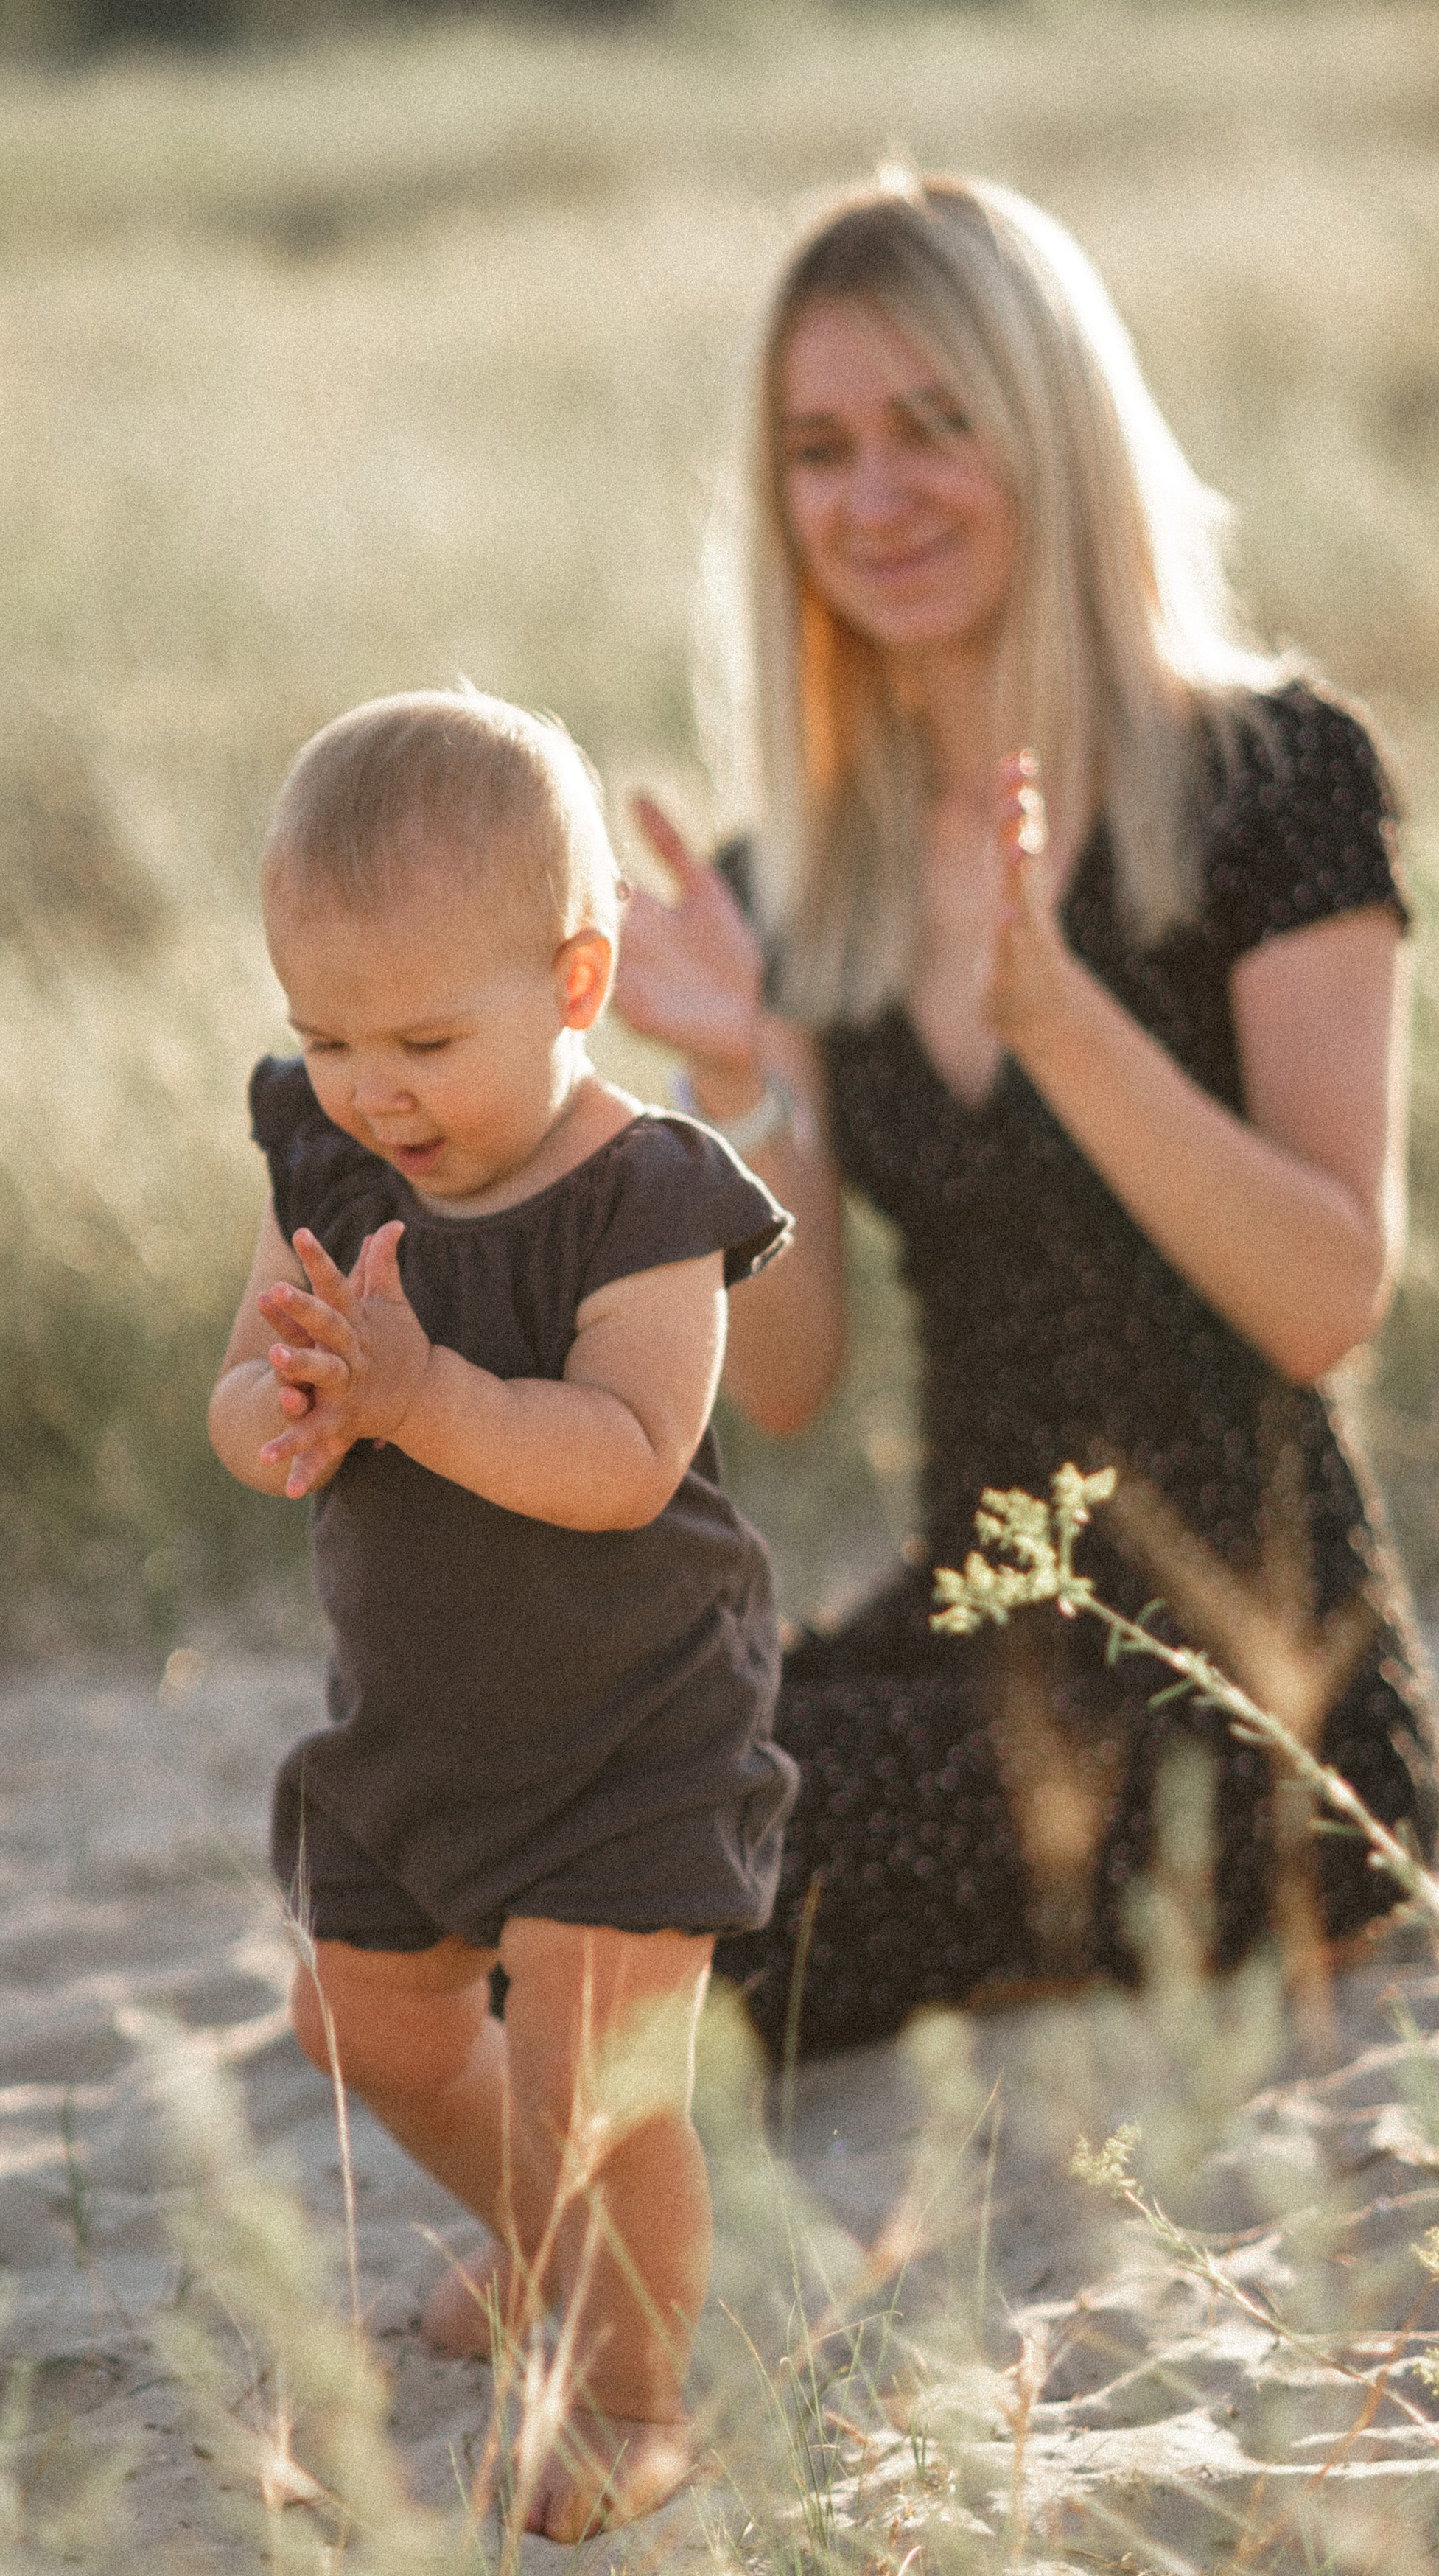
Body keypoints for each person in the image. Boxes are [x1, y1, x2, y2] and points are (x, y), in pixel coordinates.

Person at [614, 169, 1437, 2064]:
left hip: (1254, 1696)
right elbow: (795, 1375)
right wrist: (733, 1082)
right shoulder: (789, 880)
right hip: (983, 1638)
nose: (872, 496)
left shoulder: (1269, 778)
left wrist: (1062, 1026)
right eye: (817, 449)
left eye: (932, 423)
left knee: (694, 1874)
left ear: (1048, 431)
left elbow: (1325, 1296)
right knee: (580, 1786)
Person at [207, 687, 796, 2538]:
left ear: (576, 980)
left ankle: (634, 2399)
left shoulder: (645, 1202)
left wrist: (415, 1398)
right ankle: (545, 2245)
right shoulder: (325, 1154)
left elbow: (627, 1454)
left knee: (594, 2088)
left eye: (424, 1040)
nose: (373, 1090)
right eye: (326, 1038)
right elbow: (236, 1388)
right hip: (420, 1727)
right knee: (359, 2023)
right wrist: (287, 1414)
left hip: (631, 1728)